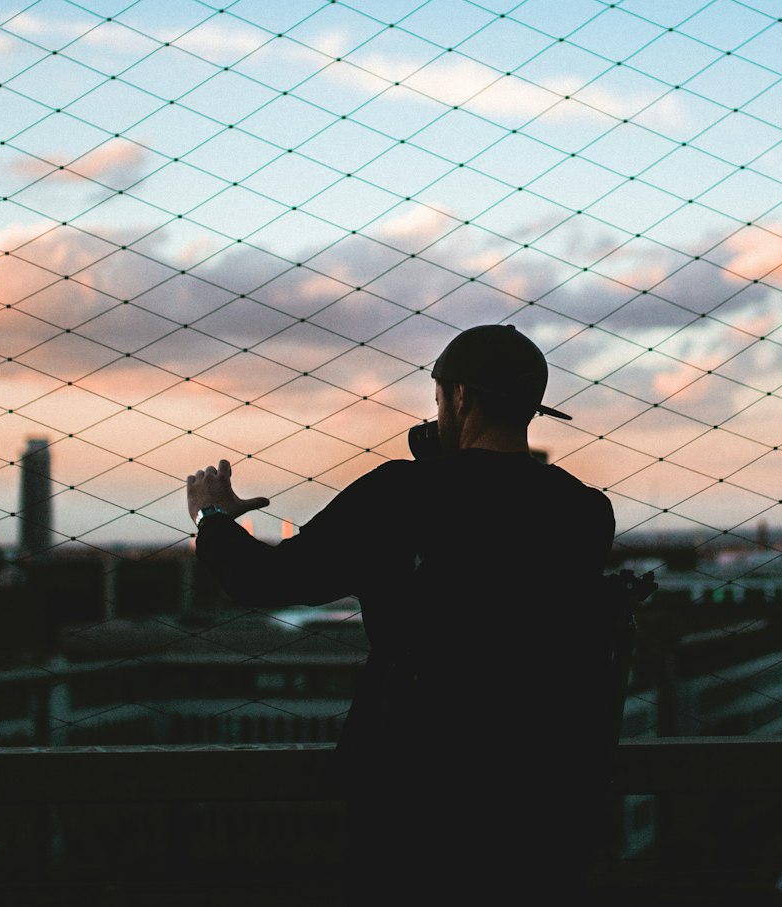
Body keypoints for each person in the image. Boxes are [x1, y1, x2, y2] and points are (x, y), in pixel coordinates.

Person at [187, 324, 617, 904]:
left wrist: (214, 521)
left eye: (438, 395)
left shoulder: (400, 495)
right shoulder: (585, 512)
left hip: (413, 787)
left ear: (460, 396)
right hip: (542, 788)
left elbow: (268, 580)